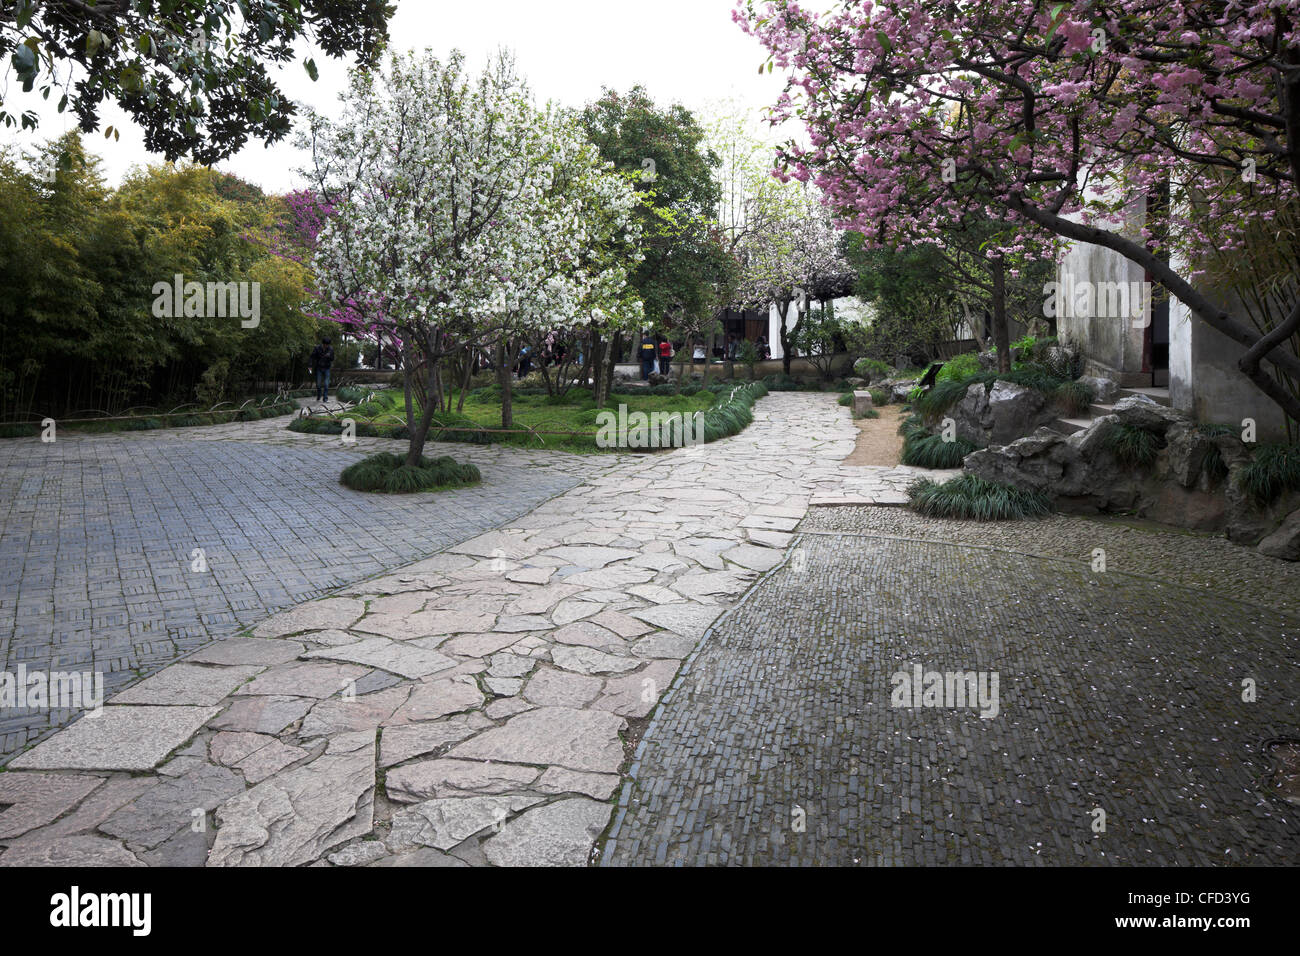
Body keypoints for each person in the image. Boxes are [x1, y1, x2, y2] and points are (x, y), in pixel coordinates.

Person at [309, 337, 334, 401]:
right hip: (319, 367)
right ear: (323, 344)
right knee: (318, 384)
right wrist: (310, 365)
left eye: (328, 345)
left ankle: (325, 398)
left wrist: (329, 356)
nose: (326, 346)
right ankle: (319, 394)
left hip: (327, 368)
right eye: (325, 344)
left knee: (326, 384)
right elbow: (312, 357)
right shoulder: (317, 348)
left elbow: (332, 358)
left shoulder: (330, 349)